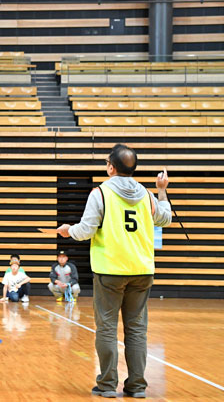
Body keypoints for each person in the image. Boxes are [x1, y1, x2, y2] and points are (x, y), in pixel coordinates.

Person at [56, 143, 172, 399]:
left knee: (107, 328)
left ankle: (108, 385)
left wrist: (68, 230)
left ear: (110, 167)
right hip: (142, 271)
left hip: (110, 271)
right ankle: (137, 387)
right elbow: (165, 218)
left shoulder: (101, 193)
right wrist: (161, 191)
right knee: (137, 329)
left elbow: (85, 231)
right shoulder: (145, 194)